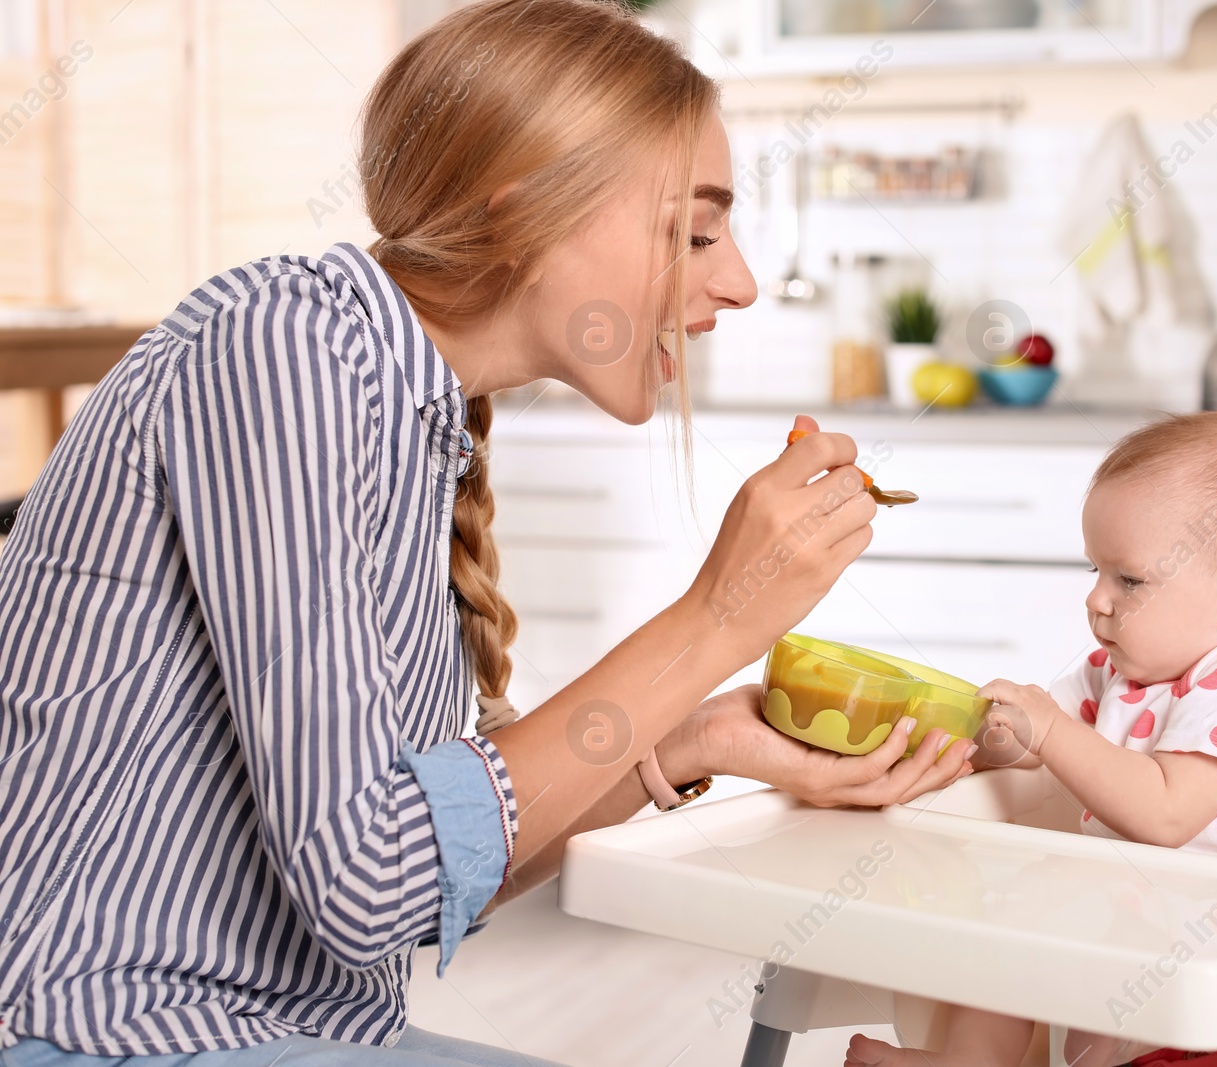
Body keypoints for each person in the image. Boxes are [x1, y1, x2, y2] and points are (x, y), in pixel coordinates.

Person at [0, 3, 975, 1064]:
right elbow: (371, 883)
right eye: (692, 232)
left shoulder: (406, 414)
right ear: (525, 217)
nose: (734, 281)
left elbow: (434, 860)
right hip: (95, 1034)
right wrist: (718, 615)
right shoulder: (284, 349)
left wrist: (700, 737)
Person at [845, 412, 1217, 1067]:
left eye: (1128, 580)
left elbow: (1165, 812)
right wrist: (983, 740)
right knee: (1002, 919)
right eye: (1096, 570)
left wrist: (1049, 729)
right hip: (1133, 914)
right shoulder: (1124, 670)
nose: (1097, 600)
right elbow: (1040, 747)